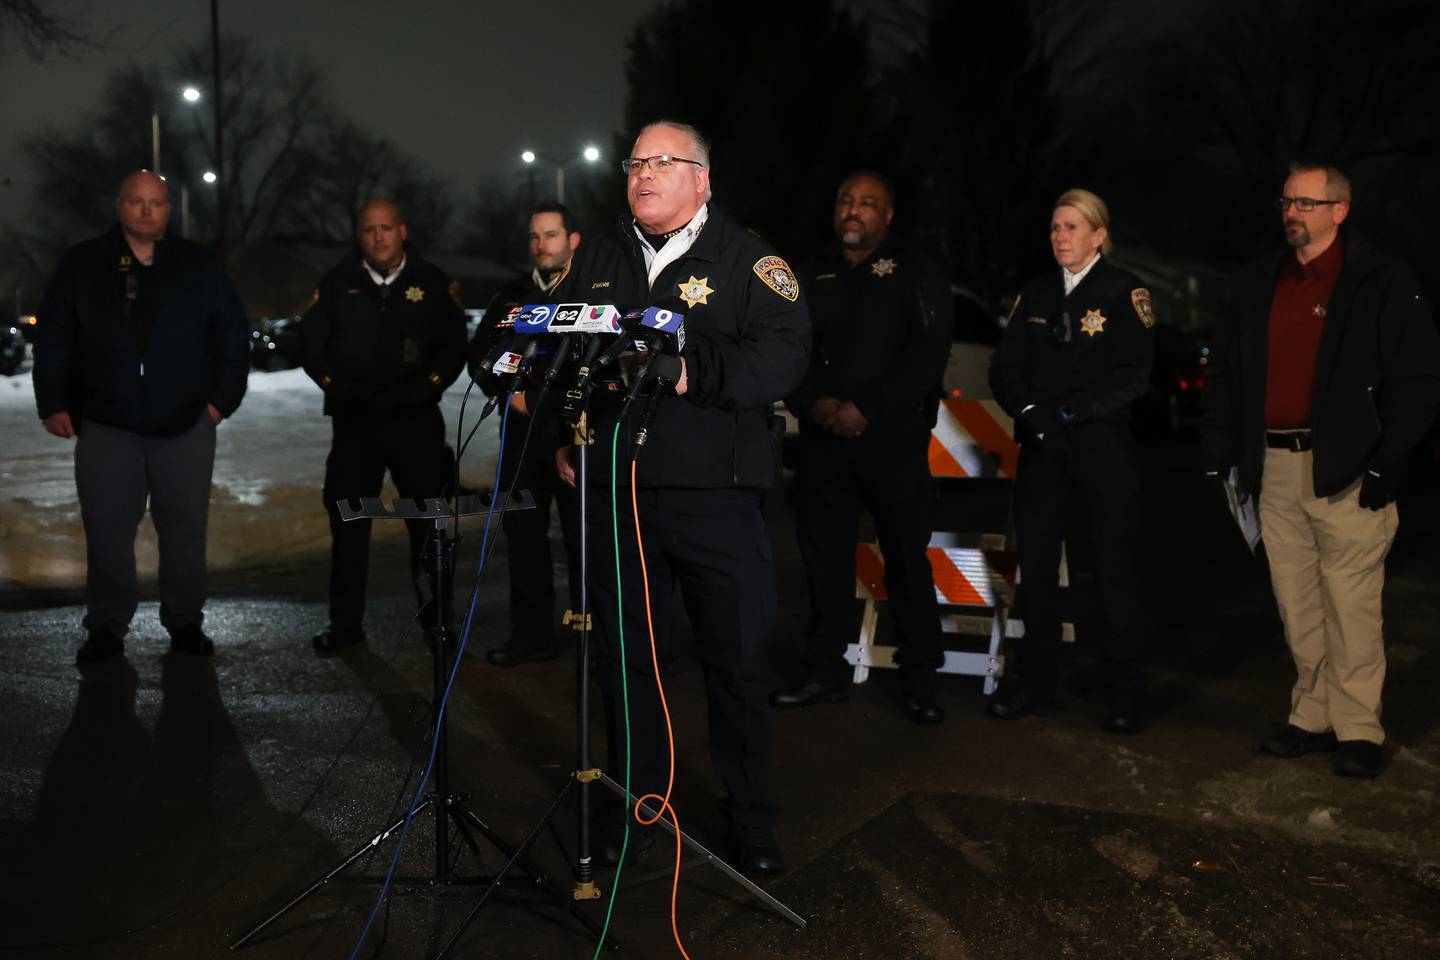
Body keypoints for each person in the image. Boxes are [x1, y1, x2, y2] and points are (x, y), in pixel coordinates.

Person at [552, 120, 809, 875]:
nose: (643, 174)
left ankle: (751, 817)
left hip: (716, 498)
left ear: (702, 179)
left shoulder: (748, 258)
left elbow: (786, 354)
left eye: (663, 161)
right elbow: (570, 349)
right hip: (620, 488)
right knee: (624, 660)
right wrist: (572, 427)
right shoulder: (597, 254)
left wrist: (695, 370)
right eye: (635, 162)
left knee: (734, 660)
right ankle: (631, 808)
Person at [1202, 163, 1440, 779]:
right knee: (1296, 600)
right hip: (1274, 466)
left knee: (1351, 601)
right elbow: (1228, 371)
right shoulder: (1260, 282)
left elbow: (1417, 377)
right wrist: (1221, 451)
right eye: (1286, 201)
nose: (1292, 213)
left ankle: (1359, 728)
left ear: (1340, 210)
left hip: (1348, 468)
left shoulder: (1379, 280)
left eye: (1307, 203)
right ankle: (1312, 716)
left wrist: (1390, 462)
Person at [33, 169, 250, 664]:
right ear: (119, 206)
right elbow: (54, 337)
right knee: (107, 529)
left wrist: (220, 403)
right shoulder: (84, 264)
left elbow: (232, 335)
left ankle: (186, 623)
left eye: (156, 203)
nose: (147, 211)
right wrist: (55, 402)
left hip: (185, 425)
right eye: (137, 201)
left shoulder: (198, 266)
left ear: (169, 210)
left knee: (185, 528)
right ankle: (107, 627)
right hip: (108, 424)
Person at [771, 171, 953, 724]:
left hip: (891, 442)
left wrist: (865, 408)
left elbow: (927, 354)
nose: (854, 210)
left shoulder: (915, 271)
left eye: (868, 203)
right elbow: (785, 346)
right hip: (825, 445)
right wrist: (813, 405)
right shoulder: (810, 270)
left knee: (905, 561)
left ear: (889, 215)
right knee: (824, 562)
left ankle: (920, 681)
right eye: (846, 200)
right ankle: (824, 673)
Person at [987, 188, 1153, 733]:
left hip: (1102, 451)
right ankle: (1036, 684)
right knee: (1034, 572)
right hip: (1043, 451)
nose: (1061, 237)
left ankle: (1124, 694)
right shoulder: (1034, 296)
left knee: (1113, 573)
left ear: (1099, 235)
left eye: (1072, 228)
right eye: (1056, 228)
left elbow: (1133, 375)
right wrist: (1034, 413)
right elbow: (1005, 369)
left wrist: (1071, 413)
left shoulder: (1125, 291)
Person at [302, 199, 467, 653]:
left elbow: (453, 346)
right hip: (356, 425)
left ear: (402, 230)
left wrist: (427, 386)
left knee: (429, 526)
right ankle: (345, 627)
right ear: (361, 235)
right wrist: (338, 388)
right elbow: (311, 347)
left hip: (415, 423)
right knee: (349, 526)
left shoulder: (430, 283)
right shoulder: (337, 284)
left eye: (386, 228)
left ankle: (439, 624)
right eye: (370, 229)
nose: (379, 237)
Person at [468, 203, 584, 667]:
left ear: (572, 240)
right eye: (535, 236)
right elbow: (480, 354)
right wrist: (509, 388)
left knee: (583, 542)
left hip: (575, 434)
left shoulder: (589, 292)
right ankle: (531, 636)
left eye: (551, 235)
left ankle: (592, 642)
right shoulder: (511, 296)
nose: (542, 245)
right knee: (524, 540)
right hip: (521, 437)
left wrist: (551, 403)